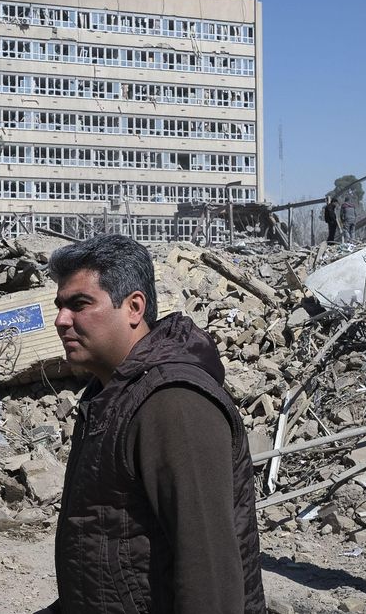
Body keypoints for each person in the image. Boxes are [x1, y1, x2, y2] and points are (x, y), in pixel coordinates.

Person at [37, 234, 265, 614]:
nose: (61, 320)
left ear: (134, 307)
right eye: (60, 306)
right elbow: (113, 553)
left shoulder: (174, 403)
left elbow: (209, 576)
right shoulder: (109, 395)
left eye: (79, 304)